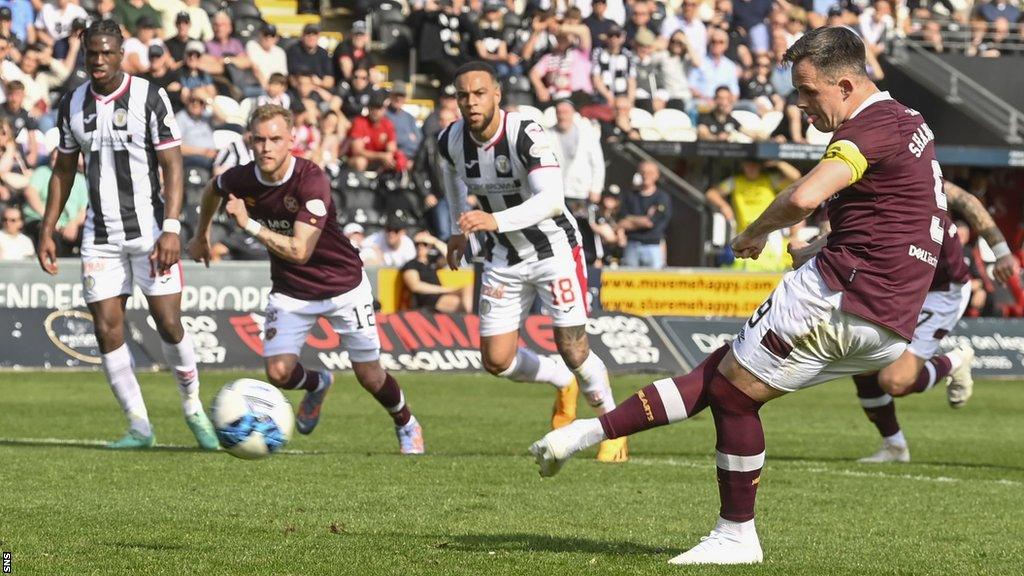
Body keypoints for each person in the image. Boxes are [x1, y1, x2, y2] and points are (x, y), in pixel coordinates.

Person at [529, 27, 958, 564]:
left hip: (838, 295)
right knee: (725, 378)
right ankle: (584, 435)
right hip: (890, 321)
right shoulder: (911, 122)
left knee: (729, 391)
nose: (800, 106)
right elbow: (901, 216)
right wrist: (828, 242)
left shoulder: (865, 130)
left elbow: (804, 194)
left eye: (807, 92)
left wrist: (754, 232)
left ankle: (734, 534)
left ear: (846, 84)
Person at [187, 104, 426, 454]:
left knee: (370, 376)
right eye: (259, 140)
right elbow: (213, 188)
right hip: (292, 289)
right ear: (249, 141)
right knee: (278, 373)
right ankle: (318, 382)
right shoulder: (242, 177)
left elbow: (301, 250)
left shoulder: (310, 179)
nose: (267, 147)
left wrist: (249, 225)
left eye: (275, 139)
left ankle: (406, 422)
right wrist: (201, 234)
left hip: (343, 285)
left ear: (291, 141)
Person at [38, 19, 217, 450]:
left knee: (169, 322)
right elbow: (63, 170)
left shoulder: (149, 96)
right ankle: (139, 426)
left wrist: (172, 228)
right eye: (91, 53)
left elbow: (173, 164)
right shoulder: (72, 103)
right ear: (84, 54)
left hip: (151, 232)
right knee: (106, 329)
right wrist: (47, 229)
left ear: (121, 53)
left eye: (106, 52)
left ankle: (193, 406)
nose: (98, 60)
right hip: (99, 236)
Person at [438, 61, 627, 462]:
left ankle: (613, 426)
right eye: (462, 96)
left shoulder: (525, 132)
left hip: (554, 250)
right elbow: (451, 176)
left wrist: (492, 220)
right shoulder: (451, 140)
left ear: (497, 95)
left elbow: (551, 200)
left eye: (479, 93)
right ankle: (561, 381)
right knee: (496, 360)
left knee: (574, 349)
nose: (470, 102)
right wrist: (459, 228)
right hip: (503, 256)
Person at [792, 180, 1020, 463]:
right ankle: (895, 447)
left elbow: (967, 201)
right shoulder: (864, 178)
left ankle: (954, 360)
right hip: (899, 284)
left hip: (940, 291)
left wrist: (1001, 252)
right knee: (862, 358)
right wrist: (809, 250)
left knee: (894, 382)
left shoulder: (911, 173)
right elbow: (839, 228)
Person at [401, 230, 473, 313]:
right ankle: (473, 319)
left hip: (441, 297)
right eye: (417, 244)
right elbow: (415, 286)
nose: (420, 247)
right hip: (429, 302)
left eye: (424, 244)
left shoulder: (432, 263)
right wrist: (445, 290)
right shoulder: (411, 264)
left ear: (429, 246)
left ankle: (473, 317)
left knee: (470, 288)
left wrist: (435, 241)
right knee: (462, 303)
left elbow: (452, 258)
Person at [548, 99, 604, 203]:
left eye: (565, 112)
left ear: (573, 113)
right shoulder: (548, 134)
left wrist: (596, 188)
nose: (562, 116)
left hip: (582, 191)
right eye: (559, 113)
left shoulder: (587, 133)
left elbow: (597, 162)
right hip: (556, 191)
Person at [619, 160, 672, 267]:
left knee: (654, 281)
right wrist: (643, 219)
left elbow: (650, 223)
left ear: (656, 176)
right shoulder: (630, 196)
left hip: (653, 247)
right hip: (632, 245)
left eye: (650, 173)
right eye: (643, 172)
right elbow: (621, 222)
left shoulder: (662, 198)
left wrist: (631, 219)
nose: (646, 176)